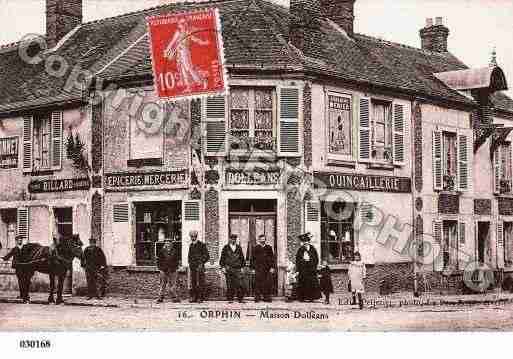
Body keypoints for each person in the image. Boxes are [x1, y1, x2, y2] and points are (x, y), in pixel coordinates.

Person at [156, 227, 181, 303]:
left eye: (169, 242)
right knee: (162, 285)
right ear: (165, 244)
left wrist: (176, 268)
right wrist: (161, 269)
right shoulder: (161, 251)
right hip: (163, 270)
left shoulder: (175, 251)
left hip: (173, 270)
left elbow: (177, 260)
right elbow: (158, 261)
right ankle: (160, 298)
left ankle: (174, 298)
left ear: (171, 244)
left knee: (173, 285)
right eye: (166, 242)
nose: (168, 244)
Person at [295, 232, 321, 302]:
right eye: (304, 242)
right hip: (303, 269)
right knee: (303, 283)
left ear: (309, 242)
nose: (305, 243)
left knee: (311, 283)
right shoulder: (301, 249)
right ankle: (302, 298)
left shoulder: (312, 249)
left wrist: (311, 262)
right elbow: (297, 260)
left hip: (311, 269)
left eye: (307, 242)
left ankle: (311, 297)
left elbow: (316, 258)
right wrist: (302, 263)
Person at [219, 234, 245, 303]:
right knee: (230, 284)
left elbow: (242, 258)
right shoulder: (226, 247)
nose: (233, 240)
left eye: (234, 239)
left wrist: (242, 267)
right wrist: (222, 267)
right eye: (232, 239)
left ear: (236, 240)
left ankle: (240, 299)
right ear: (229, 239)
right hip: (229, 268)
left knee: (239, 284)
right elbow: (222, 258)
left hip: (237, 268)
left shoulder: (239, 248)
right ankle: (230, 299)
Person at [250, 234, 275, 303]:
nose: (263, 240)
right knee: (257, 283)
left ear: (265, 240)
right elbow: (252, 259)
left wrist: (272, 267)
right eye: (261, 239)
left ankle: (266, 297)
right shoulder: (255, 248)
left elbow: (272, 258)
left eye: (264, 239)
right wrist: (252, 269)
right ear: (259, 240)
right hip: (258, 268)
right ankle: (257, 297)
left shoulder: (269, 248)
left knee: (267, 283)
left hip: (267, 269)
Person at [187, 230, 210, 303]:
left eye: (194, 236)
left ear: (196, 237)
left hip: (200, 266)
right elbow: (189, 256)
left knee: (200, 282)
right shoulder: (191, 245)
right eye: (192, 237)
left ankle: (200, 297)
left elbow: (206, 256)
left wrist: (201, 262)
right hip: (193, 267)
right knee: (193, 282)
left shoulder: (202, 245)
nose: (193, 238)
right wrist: (190, 263)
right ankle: (194, 297)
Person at [2, 235, 24, 301]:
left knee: (25, 281)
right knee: (20, 281)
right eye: (18, 240)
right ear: (16, 241)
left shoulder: (25, 248)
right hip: (18, 267)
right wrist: (3, 258)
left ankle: (25, 295)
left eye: (21, 239)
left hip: (25, 267)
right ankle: (22, 295)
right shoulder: (14, 249)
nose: (20, 240)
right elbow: (8, 256)